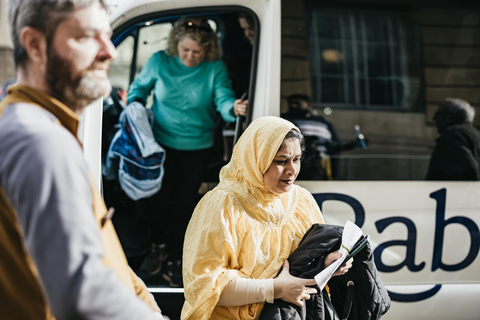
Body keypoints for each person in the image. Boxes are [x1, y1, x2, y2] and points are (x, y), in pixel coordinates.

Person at [0, 0, 164, 319]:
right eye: (88, 36)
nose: (109, 52)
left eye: (108, 36)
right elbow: (84, 293)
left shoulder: (28, 126)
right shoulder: (39, 140)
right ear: (35, 44)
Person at [181, 116, 353, 320]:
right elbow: (203, 287)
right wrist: (274, 289)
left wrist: (327, 265)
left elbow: (304, 266)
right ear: (256, 159)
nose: (292, 170)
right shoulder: (222, 203)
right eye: (281, 161)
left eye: (296, 159)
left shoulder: (302, 200)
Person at [126, 16, 248, 285]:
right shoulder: (159, 61)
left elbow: (223, 98)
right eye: (185, 51)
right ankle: (158, 246)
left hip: (197, 146)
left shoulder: (214, 68)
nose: (191, 57)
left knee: (183, 205)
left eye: (197, 52)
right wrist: (134, 108)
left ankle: (176, 258)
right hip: (159, 143)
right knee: (154, 199)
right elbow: (138, 89)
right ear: (176, 45)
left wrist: (234, 108)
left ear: (208, 51)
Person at [282, 94, 364, 180]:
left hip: (320, 168)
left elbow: (332, 146)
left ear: (309, 105)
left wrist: (351, 145)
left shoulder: (323, 123)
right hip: (296, 167)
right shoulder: (285, 120)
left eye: (297, 103)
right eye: (290, 103)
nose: (293, 106)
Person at [426, 98, 480, 180]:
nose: (434, 119)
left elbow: (468, 170)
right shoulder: (474, 133)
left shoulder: (453, 134)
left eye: (438, 115)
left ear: (452, 117)